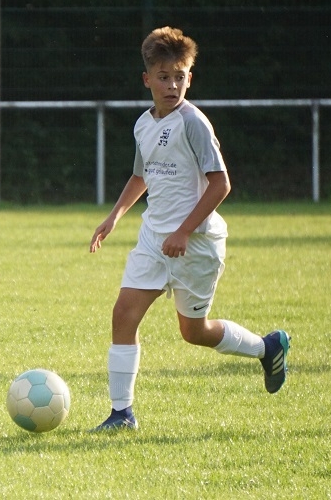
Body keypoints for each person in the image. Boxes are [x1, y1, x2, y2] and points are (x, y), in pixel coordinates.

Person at [88, 26, 290, 431]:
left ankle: (267, 348)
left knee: (193, 332)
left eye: (180, 76)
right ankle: (121, 413)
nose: (172, 85)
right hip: (153, 240)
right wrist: (115, 215)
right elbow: (140, 175)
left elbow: (221, 183)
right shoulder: (143, 125)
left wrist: (182, 231)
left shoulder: (193, 122)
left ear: (190, 78)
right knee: (123, 314)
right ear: (147, 79)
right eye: (163, 77)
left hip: (196, 245)